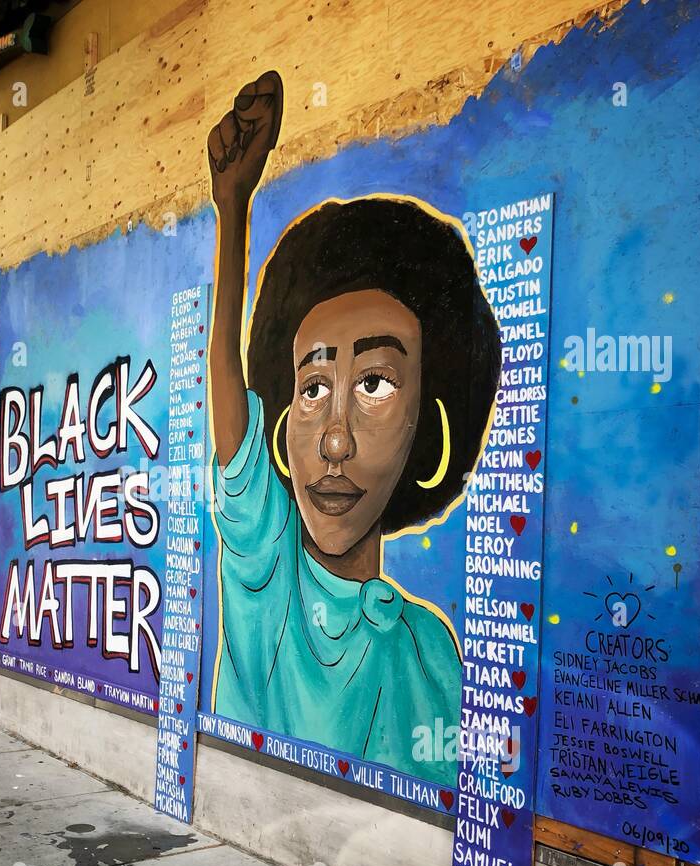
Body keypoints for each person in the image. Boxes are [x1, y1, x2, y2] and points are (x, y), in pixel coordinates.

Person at [205, 71, 500, 786]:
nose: (334, 440)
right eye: (311, 388)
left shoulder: (431, 654)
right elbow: (231, 417)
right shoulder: (266, 582)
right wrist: (231, 207)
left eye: (373, 384)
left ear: (428, 428)